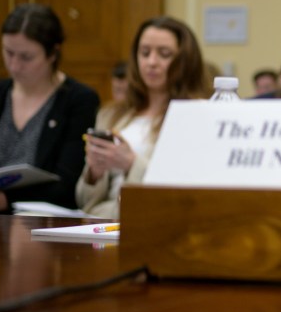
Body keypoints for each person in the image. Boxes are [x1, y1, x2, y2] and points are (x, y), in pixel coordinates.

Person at [76, 17, 210, 217]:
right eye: (144, 53)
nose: (151, 62)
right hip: (103, 222)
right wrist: (94, 173)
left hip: (155, 220)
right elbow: (84, 202)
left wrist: (131, 163)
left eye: (164, 54)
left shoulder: (197, 114)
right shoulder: (111, 113)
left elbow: (187, 190)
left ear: (185, 61)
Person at [0, 4, 99, 212]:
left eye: (26, 57)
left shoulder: (79, 100)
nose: (14, 65)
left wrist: (3, 199)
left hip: (42, 219)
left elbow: (68, 183)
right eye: (8, 53)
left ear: (53, 53)